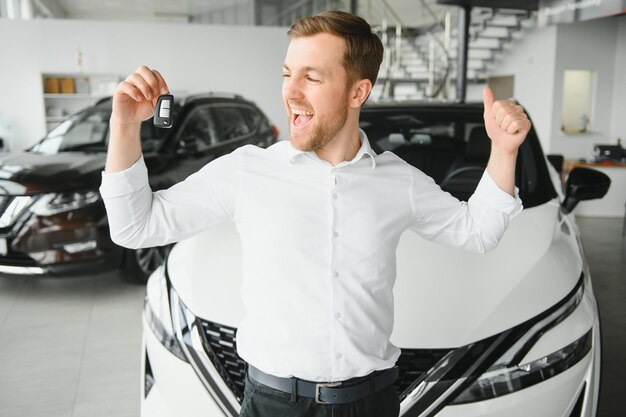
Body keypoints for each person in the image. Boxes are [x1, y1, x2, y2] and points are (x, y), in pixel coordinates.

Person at [100, 10, 529, 417]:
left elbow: (478, 233)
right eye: (288, 74)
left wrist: (504, 151)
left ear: (358, 91)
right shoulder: (247, 171)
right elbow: (135, 226)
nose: (290, 91)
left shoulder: (400, 182)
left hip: (372, 403)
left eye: (312, 77)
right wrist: (123, 126)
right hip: (273, 404)